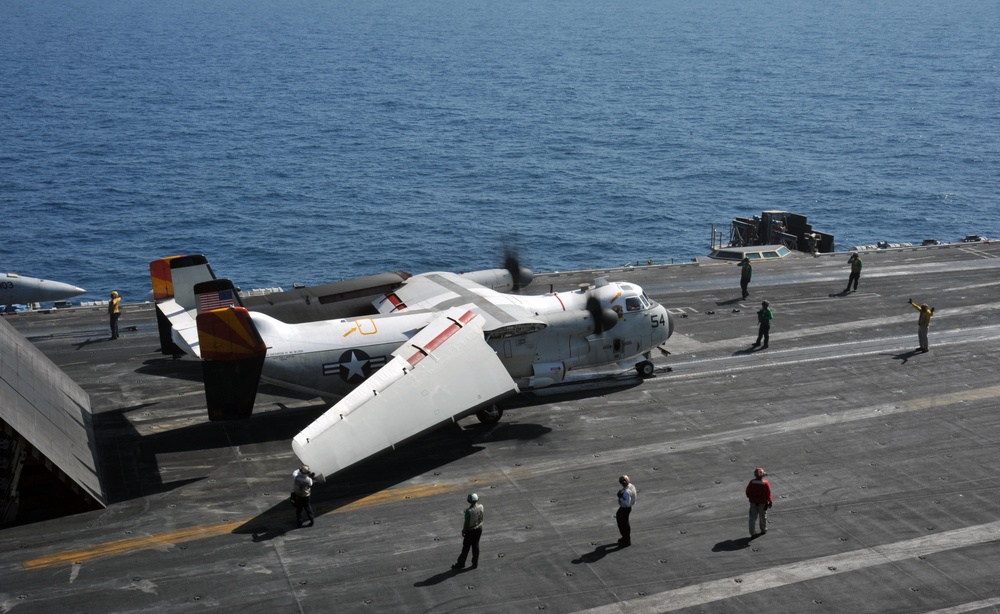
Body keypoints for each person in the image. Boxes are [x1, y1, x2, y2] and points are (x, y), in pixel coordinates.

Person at [452, 493, 484, 570]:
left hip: (471, 531)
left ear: (469, 501)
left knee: (466, 548)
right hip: (479, 529)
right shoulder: (481, 506)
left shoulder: (468, 511)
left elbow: (466, 523)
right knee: (475, 546)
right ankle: (475, 563)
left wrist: (463, 531)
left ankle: (461, 563)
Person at [746, 467, 772, 537]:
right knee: (763, 516)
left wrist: (751, 498)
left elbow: (748, 492)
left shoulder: (752, 482)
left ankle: (752, 532)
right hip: (763, 503)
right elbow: (768, 493)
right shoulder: (766, 483)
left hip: (753, 502)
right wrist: (770, 501)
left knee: (752, 518)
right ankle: (763, 530)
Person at [616, 475, 637, 547]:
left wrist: (620, 497)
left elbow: (627, 503)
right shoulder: (631, 486)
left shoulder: (627, 492)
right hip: (625, 508)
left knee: (623, 523)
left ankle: (626, 539)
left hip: (625, 508)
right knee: (620, 518)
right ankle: (625, 538)